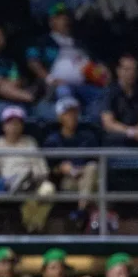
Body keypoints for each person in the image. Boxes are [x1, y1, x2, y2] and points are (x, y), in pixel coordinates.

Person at [0, 106, 54, 233]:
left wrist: (38, 178)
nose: (14, 127)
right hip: (8, 183)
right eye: (10, 123)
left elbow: (42, 168)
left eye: (17, 123)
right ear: (4, 126)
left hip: (32, 181)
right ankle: (30, 226)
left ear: (22, 126)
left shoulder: (30, 142)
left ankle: (33, 226)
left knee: (48, 189)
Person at [43, 96, 99, 230]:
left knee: (92, 169)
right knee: (92, 178)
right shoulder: (53, 140)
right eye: (68, 113)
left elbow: (96, 160)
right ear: (60, 117)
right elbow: (53, 168)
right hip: (68, 181)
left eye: (74, 112)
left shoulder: (87, 137)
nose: (72, 116)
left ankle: (81, 211)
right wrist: (65, 169)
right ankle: (84, 213)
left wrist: (80, 170)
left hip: (89, 177)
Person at [100, 54, 138, 146]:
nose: (131, 73)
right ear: (118, 71)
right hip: (118, 141)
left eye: (133, 69)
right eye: (127, 69)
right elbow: (108, 123)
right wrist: (131, 132)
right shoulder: (109, 93)